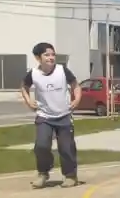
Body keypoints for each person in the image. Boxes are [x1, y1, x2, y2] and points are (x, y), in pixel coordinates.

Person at [20, 42, 82, 189]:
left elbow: (76, 85)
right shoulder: (33, 74)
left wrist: (77, 99)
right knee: (41, 145)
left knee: (66, 147)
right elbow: (24, 86)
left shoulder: (62, 71)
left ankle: (70, 176)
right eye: (46, 55)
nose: (51, 58)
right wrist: (28, 100)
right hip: (44, 116)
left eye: (53, 54)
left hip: (64, 115)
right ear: (38, 58)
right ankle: (43, 173)